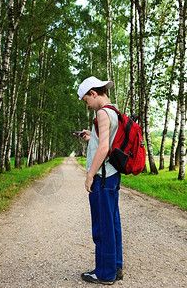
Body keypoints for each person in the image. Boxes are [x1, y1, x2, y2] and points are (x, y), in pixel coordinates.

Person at [74, 76, 123, 285]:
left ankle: (105, 273)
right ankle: (115, 266)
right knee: (112, 224)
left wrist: (89, 175)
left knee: (102, 227)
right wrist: (90, 137)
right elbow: (106, 141)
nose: (88, 104)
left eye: (86, 100)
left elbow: (104, 148)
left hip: (102, 178)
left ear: (93, 93)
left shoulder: (102, 113)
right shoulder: (113, 111)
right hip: (112, 175)